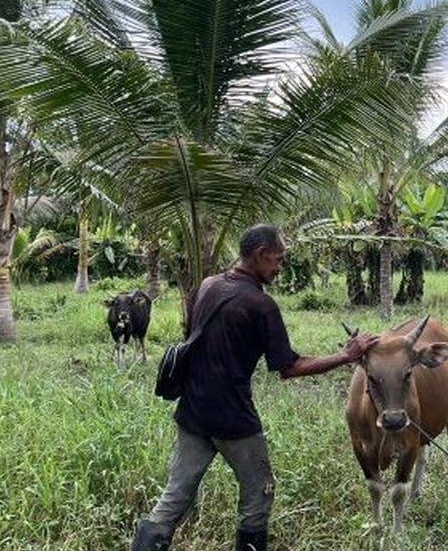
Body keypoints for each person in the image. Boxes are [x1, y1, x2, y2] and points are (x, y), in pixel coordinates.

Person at [131, 224, 379, 551]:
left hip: (193, 411)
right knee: (258, 492)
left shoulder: (207, 285)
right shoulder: (260, 305)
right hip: (233, 419)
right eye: (278, 260)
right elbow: (289, 368)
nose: (279, 268)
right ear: (260, 255)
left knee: (174, 496)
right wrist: (347, 355)